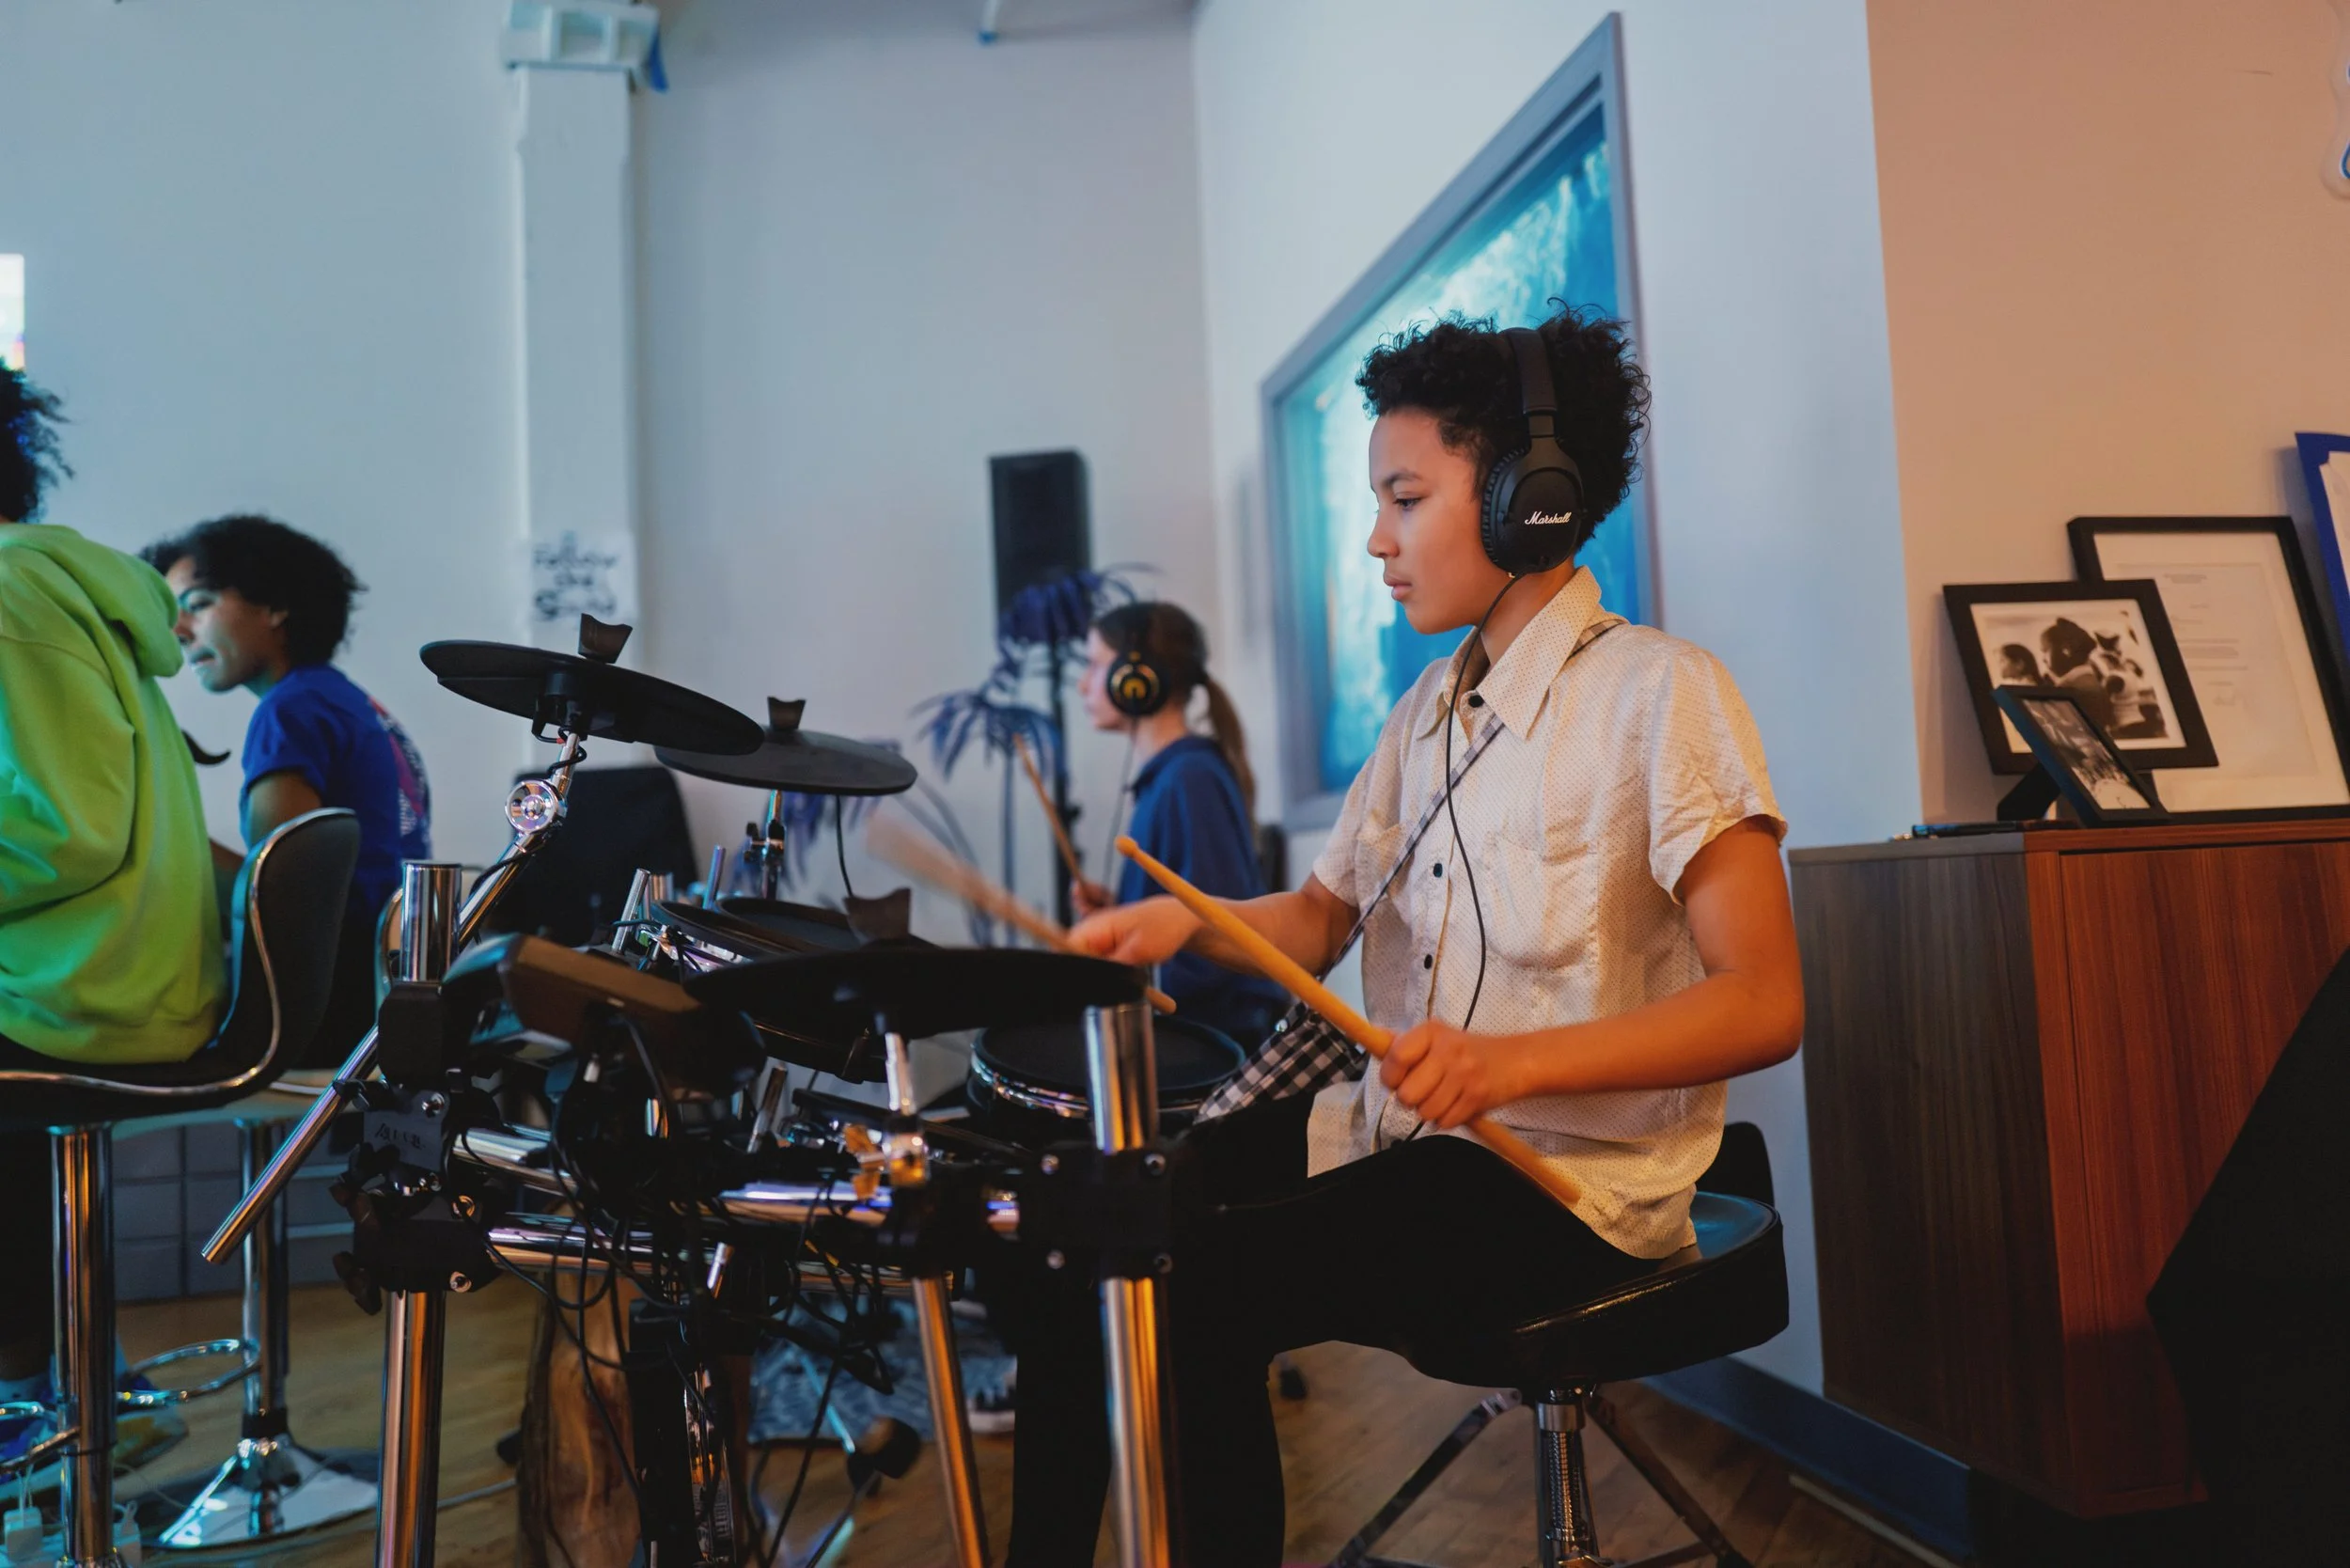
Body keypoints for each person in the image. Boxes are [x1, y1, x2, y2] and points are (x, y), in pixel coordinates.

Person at [1000, 308, 1806, 1566]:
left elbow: (1765, 1002)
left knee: (1198, 1287)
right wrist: (1187, 920)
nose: (1376, 538)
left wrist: (1509, 1066)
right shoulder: (1427, 711)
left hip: (1566, 1186)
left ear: (1526, 502)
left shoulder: (1662, 693)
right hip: (1408, 1139)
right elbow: (1322, 917)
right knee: (1091, 1228)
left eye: (1405, 496)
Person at [0, 367, 219, 1464]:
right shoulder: (56, 583)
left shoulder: (5, 593)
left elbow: (66, 830)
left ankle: (37, 1390)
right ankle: (63, 1377)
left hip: (77, 990)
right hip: (123, 973)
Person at [142, 516, 431, 1065]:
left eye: (198, 603)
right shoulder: (349, 701)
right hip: (377, 983)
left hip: (322, 1001)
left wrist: (163, 836)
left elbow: (283, 889)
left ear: (274, 606)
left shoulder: (289, 711)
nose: (178, 630)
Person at [1071, 601, 1289, 1043]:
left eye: (1094, 666)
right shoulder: (1169, 779)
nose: (1082, 686)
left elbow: (1217, 935)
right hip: (1194, 1034)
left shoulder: (1190, 779)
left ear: (1135, 679)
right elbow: (1184, 909)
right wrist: (1123, 914)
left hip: (1213, 1046)